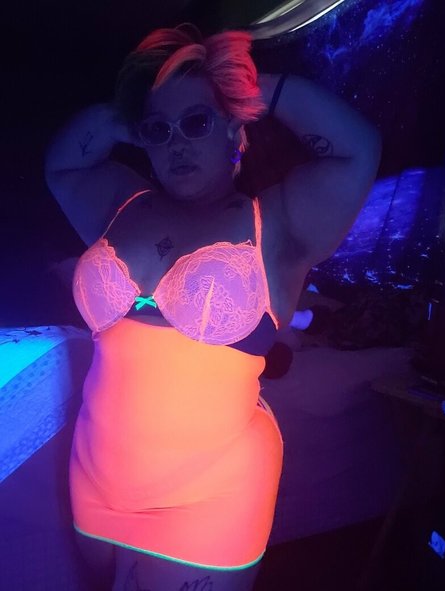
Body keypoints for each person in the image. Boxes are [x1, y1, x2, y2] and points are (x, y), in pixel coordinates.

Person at [45, 23, 381, 591]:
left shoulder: (278, 224)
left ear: (232, 125)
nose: (176, 143)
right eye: (159, 130)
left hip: (209, 499)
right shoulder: (120, 202)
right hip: (94, 481)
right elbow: (62, 165)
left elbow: (358, 150)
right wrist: (132, 112)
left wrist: (246, 89)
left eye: (196, 122)